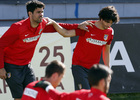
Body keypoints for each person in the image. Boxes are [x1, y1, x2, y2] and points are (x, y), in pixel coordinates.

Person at [0, 1, 92, 100]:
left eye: (42, 12)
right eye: (38, 12)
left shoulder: (42, 23)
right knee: (19, 98)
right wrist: (1, 68)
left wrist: (78, 26)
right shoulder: (18, 27)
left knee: (32, 93)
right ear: (30, 13)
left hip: (26, 66)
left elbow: (59, 26)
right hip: (11, 66)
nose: (42, 15)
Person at [45, 5, 119, 90]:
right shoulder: (88, 26)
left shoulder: (110, 32)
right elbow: (66, 33)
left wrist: (108, 69)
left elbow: (106, 51)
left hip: (93, 69)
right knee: (85, 93)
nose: (109, 24)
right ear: (101, 18)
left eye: (111, 22)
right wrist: (54, 23)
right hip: (79, 66)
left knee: (92, 94)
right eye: (107, 21)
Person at [34, 64, 113, 100]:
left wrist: (47, 86)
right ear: (102, 82)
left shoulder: (80, 94)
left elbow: (59, 97)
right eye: (108, 80)